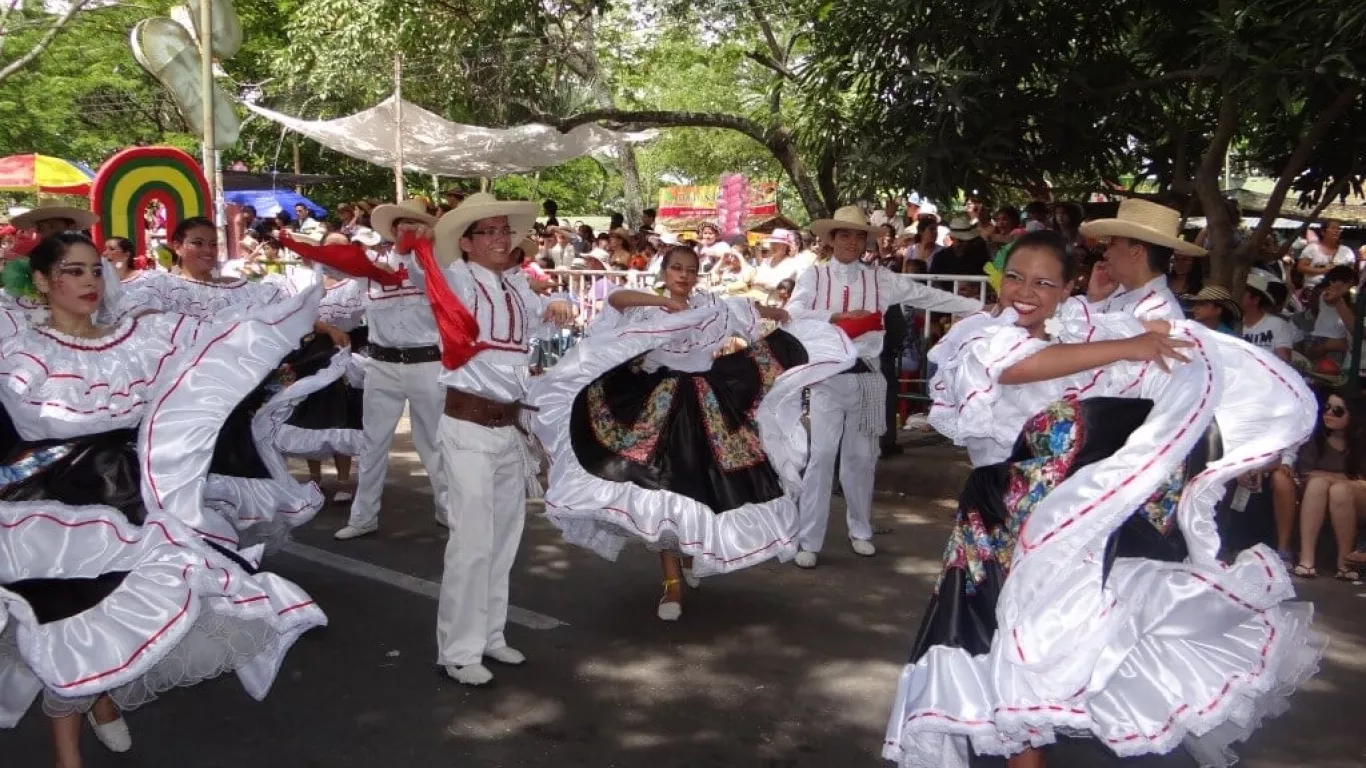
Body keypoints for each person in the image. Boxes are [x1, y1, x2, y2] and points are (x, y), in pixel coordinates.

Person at [884, 230, 1321, 768]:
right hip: (1004, 514)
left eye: (1044, 283)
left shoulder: (1082, 328)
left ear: (1068, 289)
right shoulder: (984, 336)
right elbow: (1015, 367)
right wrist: (1131, 344)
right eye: (1015, 277)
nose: (1025, 291)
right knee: (1002, 640)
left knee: (1049, 642)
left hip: (1070, 515)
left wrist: (1155, 351)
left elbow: (1140, 356)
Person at [0, 233, 327, 768]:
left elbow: (221, 349)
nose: (89, 281)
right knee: (65, 615)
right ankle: (69, 755)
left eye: (95, 269)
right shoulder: (20, 347)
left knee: (118, 610)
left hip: (134, 493)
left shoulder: (141, 338)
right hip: (53, 506)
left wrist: (296, 321)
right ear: (41, 280)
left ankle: (100, 700)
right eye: (73, 271)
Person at [529, 246, 853, 621]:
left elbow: (747, 310)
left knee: (703, 486)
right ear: (664, 272)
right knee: (665, 490)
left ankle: (687, 555)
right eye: (676, 269)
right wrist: (663, 303)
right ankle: (672, 582)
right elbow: (616, 299)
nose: (683, 275)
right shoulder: (648, 307)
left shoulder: (710, 305)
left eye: (690, 270)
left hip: (707, 404)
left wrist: (775, 313)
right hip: (657, 406)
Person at [400, 193, 574, 687]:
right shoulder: (458, 279)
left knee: (503, 539)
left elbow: (546, 313)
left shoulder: (515, 286)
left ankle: (490, 635)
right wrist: (420, 241)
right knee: (472, 542)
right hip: (468, 426)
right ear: (466, 242)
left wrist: (559, 303)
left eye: (504, 230)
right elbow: (424, 270)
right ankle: (458, 651)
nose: (501, 238)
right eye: (489, 231)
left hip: (509, 428)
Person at [786, 206, 982, 568]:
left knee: (861, 458)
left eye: (859, 236)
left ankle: (860, 530)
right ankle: (808, 539)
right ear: (831, 239)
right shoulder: (814, 276)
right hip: (828, 377)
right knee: (822, 456)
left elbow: (926, 296)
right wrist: (837, 317)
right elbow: (793, 313)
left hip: (868, 376)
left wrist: (977, 306)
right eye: (845, 234)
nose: (852, 242)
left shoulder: (881, 278)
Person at [299, 200, 453, 540]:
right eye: (401, 225)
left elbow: (431, 284)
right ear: (392, 229)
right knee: (373, 443)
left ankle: (448, 510)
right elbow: (334, 285)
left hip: (426, 362)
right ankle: (363, 516)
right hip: (382, 364)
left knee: (433, 442)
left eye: (414, 224)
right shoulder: (369, 269)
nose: (406, 230)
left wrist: (419, 252)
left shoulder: (436, 265)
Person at [1078, 199, 1201, 321]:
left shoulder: (1156, 314)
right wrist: (1096, 298)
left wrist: (1095, 301)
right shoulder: (1123, 294)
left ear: (1136, 252)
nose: (1106, 254)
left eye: (1112, 244)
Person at [1290, 390, 1366, 581]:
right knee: (1319, 485)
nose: (1329, 413)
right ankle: (1306, 560)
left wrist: (1331, 478)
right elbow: (1306, 473)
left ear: (1352, 415)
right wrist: (1341, 479)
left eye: (1338, 411)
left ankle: (1344, 562)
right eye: (1327, 408)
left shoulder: (1360, 442)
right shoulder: (1315, 438)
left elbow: (1362, 483)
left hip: (1357, 500)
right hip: (1319, 494)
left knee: (1339, 490)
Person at [1240, 271, 1295, 363]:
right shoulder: (1230, 322)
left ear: (1255, 300)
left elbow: (1283, 362)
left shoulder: (1277, 325)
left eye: (1242, 293)